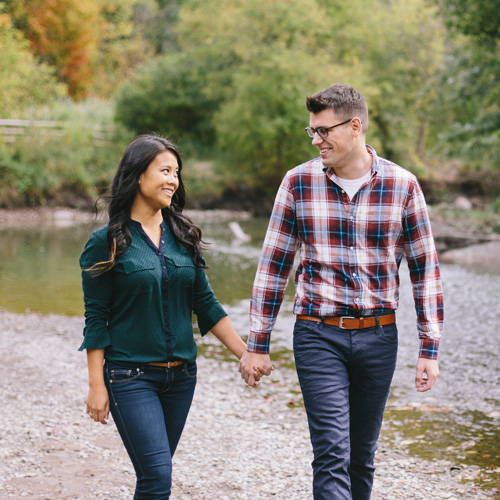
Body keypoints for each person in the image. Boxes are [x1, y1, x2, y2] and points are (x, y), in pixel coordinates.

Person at [239, 83, 444, 500]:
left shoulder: (403, 186)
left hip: (380, 336)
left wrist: (430, 348)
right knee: (332, 454)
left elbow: (425, 272)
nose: (316, 140)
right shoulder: (297, 183)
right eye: (311, 132)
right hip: (318, 334)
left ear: (355, 126)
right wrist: (257, 343)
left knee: (361, 458)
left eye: (323, 131)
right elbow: (274, 265)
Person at [79, 134, 254, 500]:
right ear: (138, 175)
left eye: (176, 172)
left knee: (154, 477)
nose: (173, 179)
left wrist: (246, 354)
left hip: (181, 379)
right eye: (164, 170)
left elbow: (205, 303)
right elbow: (96, 318)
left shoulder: (183, 235)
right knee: (158, 477)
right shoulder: (105, 241)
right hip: (130, 376)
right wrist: (97, 386)